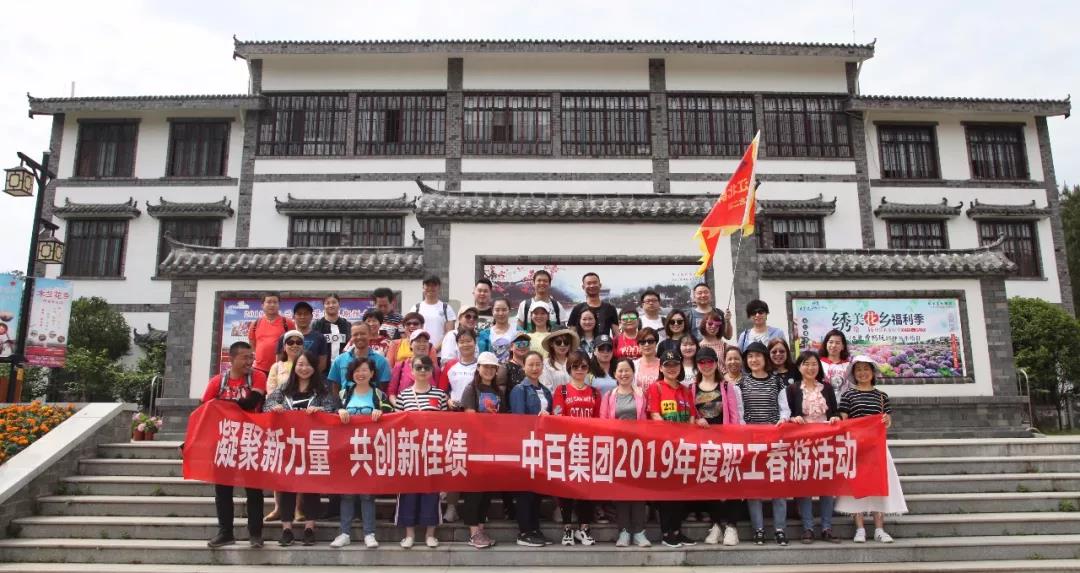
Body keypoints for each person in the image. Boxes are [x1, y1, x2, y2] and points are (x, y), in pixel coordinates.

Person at [264, 351, 340, 546]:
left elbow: (333, 410)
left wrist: (320, 410)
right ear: (294, 367)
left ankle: (309, 528)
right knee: (286, 488)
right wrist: (275, 408)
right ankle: (287, 529)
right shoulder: (284, 388)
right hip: (288, 447)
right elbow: (267, 404)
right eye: (300, 364)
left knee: (311, 488)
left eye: (308, 365)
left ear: (314, 368)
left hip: (312, 447)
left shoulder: (321, 390)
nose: (304, 368)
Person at [835, 355, 907, 543]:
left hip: (877, 448)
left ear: (872, 372)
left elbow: (887, 421)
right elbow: (844, 421)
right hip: (857, 448)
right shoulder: (848, 395)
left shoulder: (882, 396)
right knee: (856, 487)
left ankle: (879, 529)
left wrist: (886, 420)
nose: (862, 373)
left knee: (879, 485)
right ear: (853, 374)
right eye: (858, 370)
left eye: (866, 369)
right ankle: (859, 529)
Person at [203, 341, 267, 549]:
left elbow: (251, 403)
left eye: (251, 357)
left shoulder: (258, 377)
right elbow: (204, 411)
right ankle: (225, 532)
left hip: (251, 440)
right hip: (225, 442)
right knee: (223, 490)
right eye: (245, 358)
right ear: (231, 359)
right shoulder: (217, 382)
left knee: (254, 490)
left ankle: (255, 534)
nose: (250, 362)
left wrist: (222, 405)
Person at [331, 357, 394, 549]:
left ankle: (369, 533)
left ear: (372, 373)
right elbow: (330, 413)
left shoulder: (379, 394)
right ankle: (344, 533)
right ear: (351, 374)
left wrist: (381, 413)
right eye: (357, 370)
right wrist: (339, 412)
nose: (361, 374)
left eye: (365, 370)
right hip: (347, 451)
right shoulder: (343, 394)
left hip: (370, 450)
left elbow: (391, 414)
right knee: (347, 494)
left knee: (367, 494)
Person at [647, 349, 707, 548]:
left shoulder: (685, 390)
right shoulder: (656, 388)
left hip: (683, 448)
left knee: (681, 491)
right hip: (664, 448)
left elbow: (691, 416)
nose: (671, 368)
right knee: (666, 493)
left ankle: (677, 531)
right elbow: (655, 415)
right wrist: (671, 436)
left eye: (675, 365)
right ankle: (666, 533)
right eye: (667, 365)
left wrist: (686, 438)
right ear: (661, 368)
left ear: (680, 367)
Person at [739, 341, 792, 546]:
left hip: (774, 440)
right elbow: (740, 411)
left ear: (765, 359)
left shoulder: (777, 381)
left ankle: (780, 529)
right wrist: (745, 429)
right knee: (754, 487)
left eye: (758, 356)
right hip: (751, 441)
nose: (754, 360)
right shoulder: (741, 383)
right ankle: (758, 529)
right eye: (750, 356)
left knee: (778, 486)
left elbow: (784, 408)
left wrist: (783, 420)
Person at [394, 354, 448, 549]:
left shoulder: (440, 395)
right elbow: (397, 424)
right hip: (409, 451)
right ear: (411, 371)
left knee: (431, 492)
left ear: (432, 371)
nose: (423, 371)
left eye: (426, 367)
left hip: (432, 450)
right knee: (408, 493)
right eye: (418, 367)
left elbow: (445, 423)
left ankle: (430, 534)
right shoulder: (403, 396)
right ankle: (409, 534)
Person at [692, 346, 743, 547]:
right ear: (697, 365)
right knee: (709, 484)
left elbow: (735, 415)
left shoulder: (727, 387)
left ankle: (731, 526)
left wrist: (735, 439)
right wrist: (697, 420)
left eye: (710, 361)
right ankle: (716, 525)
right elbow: (691, 414)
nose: (706, 365)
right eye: (702, 362)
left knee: (731, 484)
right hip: (703, 445)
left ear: (716, 363)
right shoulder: (692, 388)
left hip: (727, 442)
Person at [787, 350, 841, 544]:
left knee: (826, 485)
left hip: (825, 443)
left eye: (814, 364)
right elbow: (788, 414)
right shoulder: (792, 389)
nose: (810, 368)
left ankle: (827, 527)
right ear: (799, 367)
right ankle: (808, 528)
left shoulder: (826, 388)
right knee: (805, 485)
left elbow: (835, 412)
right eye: (806, 364)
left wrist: (834, 418)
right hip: (802, 443)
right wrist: (793, 418)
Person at [599, 357, 651, 548]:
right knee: (621, 492)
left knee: (638, 491)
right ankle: (624, 531)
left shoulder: (641, 394)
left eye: (627, 370)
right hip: (617, 450)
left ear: (633, 372)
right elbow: (603, 423)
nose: (623, 374)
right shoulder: (609, 396)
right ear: (614, 374)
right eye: (620, 371)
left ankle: (639, 532)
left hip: (638, 448)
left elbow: (647, 421)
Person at [552, 350, 600, 546]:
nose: (579, 370)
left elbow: (599, 421)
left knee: (586, 490)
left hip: (588, 447)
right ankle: (567, 529)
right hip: (568, 446)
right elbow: (557, 417)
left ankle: (584, 528)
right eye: (575, 366)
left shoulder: (595, 392)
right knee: (566, 489)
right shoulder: (561, 390)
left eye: (584, 366)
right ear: (569, 368)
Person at [459, 351, 507, 548]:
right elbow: (470, 417)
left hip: (493, 448)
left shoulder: (498, 392)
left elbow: (504, 419)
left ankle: (481, 529)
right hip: (475, 447)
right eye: (485, 366)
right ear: (478, 368)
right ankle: (473, 533)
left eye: (492, 367)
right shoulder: (471, 389)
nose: (488, 370)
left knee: (487, 491)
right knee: (474, 491)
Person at [509, 351, 554, 547]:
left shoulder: (546, 391)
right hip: (526, 446)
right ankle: (524, 531)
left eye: (538, 364)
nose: (535, 368)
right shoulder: (519, 389)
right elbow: (519, 421)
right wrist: (539, 419)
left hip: (542, 446)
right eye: (531, 365)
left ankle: (535, 529)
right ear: (524, 367)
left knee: (537, 490)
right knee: (525, 491)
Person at [439, 327, 479, 523]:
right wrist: (448, 401)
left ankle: (476, 510)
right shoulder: (450, 366)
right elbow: (442, 391)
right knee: (455, 462)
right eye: (462, 341)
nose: (465, 344)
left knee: (475, 465)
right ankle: (452, 507)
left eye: (469, 340)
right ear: (457, 345)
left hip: (477, 421)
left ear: (475, 343)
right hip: (455, 420)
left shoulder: (481, 365)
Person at [328, 323, 392, 395]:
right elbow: (335, 385)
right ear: (351, 337)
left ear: (370, 335)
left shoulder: (381, 361)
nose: (359, 337)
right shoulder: (340, 359)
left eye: (363, 334)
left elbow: (383, 386)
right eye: (355, 334)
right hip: (346, 401)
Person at [388, 330, 445, 404]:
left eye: (425, 341)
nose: (422, 344)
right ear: (410, 345)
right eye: (418, 341)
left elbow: (439, 394)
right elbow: (391, 393)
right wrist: (400, 406)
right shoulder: (400, 366)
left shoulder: (435, 369)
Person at [248, 293, 295, 374]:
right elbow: (252, 344)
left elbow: (294, 344)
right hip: (259, 368)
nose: (272, 305)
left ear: (279, 305)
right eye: (269, 302)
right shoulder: (255, 324)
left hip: (281, 367)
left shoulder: (287, 323)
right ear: (262, 305)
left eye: (275, 302)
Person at [277, 302, 330, 374]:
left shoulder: (320, 337)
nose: (302, 317)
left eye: (306, 314)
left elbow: (322, 364)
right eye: (299, 314)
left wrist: (309, 376)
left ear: (311, 316)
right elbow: (279, 362)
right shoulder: (284, 337)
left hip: (313, 378)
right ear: (293, 317)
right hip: (288, 377)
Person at [411, 275, 456, 350]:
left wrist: (434, 350)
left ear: (439, 288)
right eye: (427, 285)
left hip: (441, 353)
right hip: (420, 352)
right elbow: (411, 332)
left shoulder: (446, 308)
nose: (430, 288)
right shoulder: (416, 308)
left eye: (433, 285)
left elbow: (449, 333)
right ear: (423, 287)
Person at [313, 293, 352, 365]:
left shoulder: (347, 325)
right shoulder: (317, 325)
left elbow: (350, 346)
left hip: (343, 366)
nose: (331, 305)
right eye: (327, 303)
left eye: (334, 302)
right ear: (324, 306)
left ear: (339, 304)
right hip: (322, 368)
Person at [477, 298, 518, 362]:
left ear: (509, 311)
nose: (501, 313)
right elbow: (482, 358)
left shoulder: (518, 331)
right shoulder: (485, 334)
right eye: (497, 310)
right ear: (492, 311)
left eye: (504, 310)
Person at [267, 330, 304, 396]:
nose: (295, 345)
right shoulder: (276, 367)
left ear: (303, 346)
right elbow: (271, 391)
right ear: (284, 347)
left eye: (298, 342)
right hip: (280, 401)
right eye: (290, 342)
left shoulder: (309, 366)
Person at [496, 332, 531, 401]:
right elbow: (501, 394)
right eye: (518, 344)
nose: (522, 346)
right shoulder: (505, 367)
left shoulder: (533, 366)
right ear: (511, 347)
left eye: (525, 343)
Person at [820, 329, 853, 396]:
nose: (834, 345)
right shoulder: (819, 363)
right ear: (826, 344)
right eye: (831, 342)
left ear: (843, 346)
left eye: (837, 343)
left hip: (844, 401)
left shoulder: (849, 365)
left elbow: (852, 386)